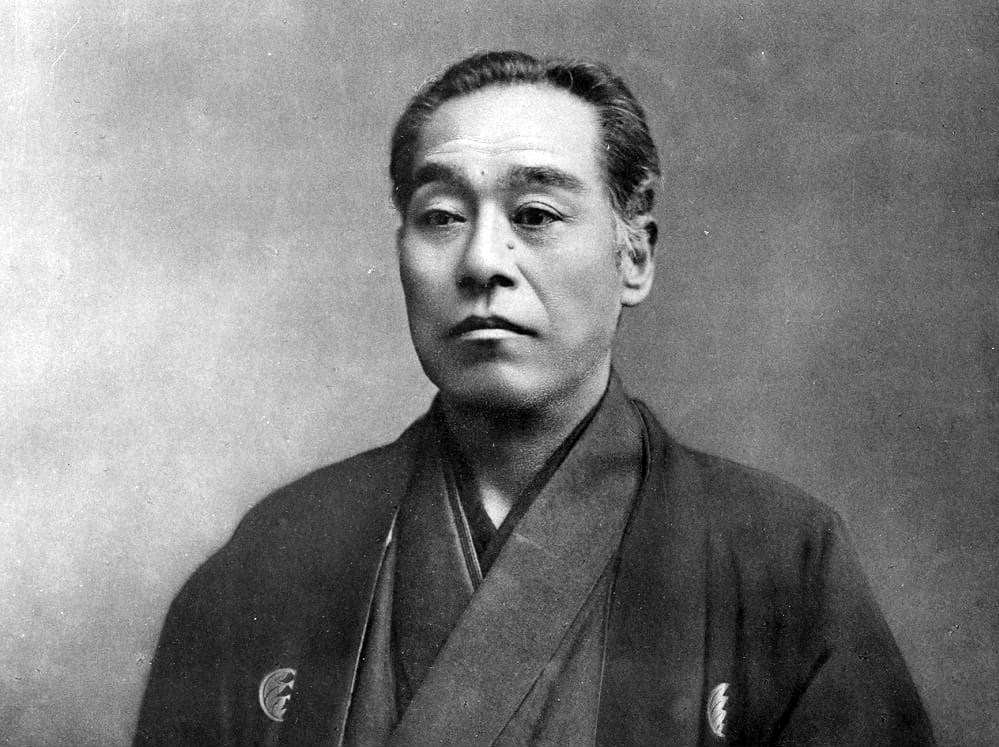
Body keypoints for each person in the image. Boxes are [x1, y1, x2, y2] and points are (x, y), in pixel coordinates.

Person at [134, 51, 935, 747]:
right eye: (441, 216)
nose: (483, 259)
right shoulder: (277, 554)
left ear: (634, 256)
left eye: (536, 214)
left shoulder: (780, 560)